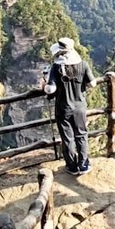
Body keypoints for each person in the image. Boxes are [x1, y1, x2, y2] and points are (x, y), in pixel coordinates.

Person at [44, 37, 97, 176]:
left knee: (67, 138)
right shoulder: (83, 64)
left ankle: (72, 166)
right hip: (80, 107)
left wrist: (45, 81)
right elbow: (92, 83)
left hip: (63, 108)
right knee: (82, 135)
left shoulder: (56, 68)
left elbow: (50, 90)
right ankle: (84, 164)